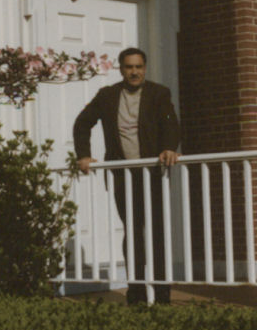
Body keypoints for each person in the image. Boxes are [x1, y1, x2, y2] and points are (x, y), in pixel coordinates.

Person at [73, 47, 180, 304]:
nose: (134, 72)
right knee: (133, 232)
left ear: (145, 68)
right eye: (129, 67)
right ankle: (137, 292)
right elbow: (82, 122)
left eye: (139, 67)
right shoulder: (108, 95)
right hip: (123, 175)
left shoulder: (158, 93)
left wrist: (168, 147)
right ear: (121, 69)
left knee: (156, 232)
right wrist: (84, 155)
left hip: (152, 173)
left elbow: (171, 123)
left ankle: (162, 293)